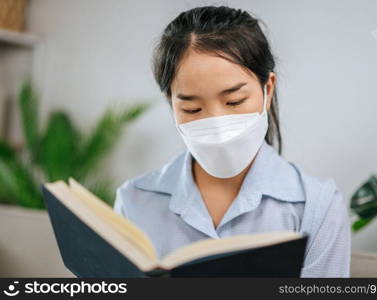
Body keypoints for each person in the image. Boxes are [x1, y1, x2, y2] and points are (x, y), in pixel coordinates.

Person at [113, 5, 351, 277]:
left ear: (267, 89)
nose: (216, 126)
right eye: (192, 109)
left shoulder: (317, 206)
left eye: (234, 101)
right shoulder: (133, 200)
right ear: (171, 104)